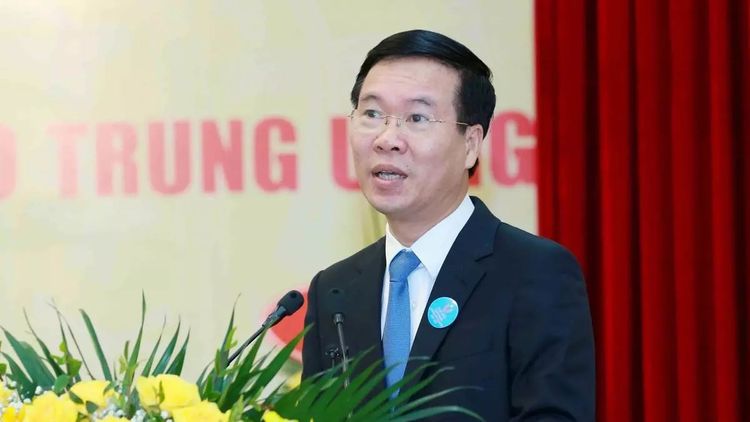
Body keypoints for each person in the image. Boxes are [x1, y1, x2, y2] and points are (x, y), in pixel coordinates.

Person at [302, 29, 595, 421]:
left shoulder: (535, 273)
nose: (387, 139)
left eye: (417, 118)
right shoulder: (333, 291)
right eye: (371, 114)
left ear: (471, 144)